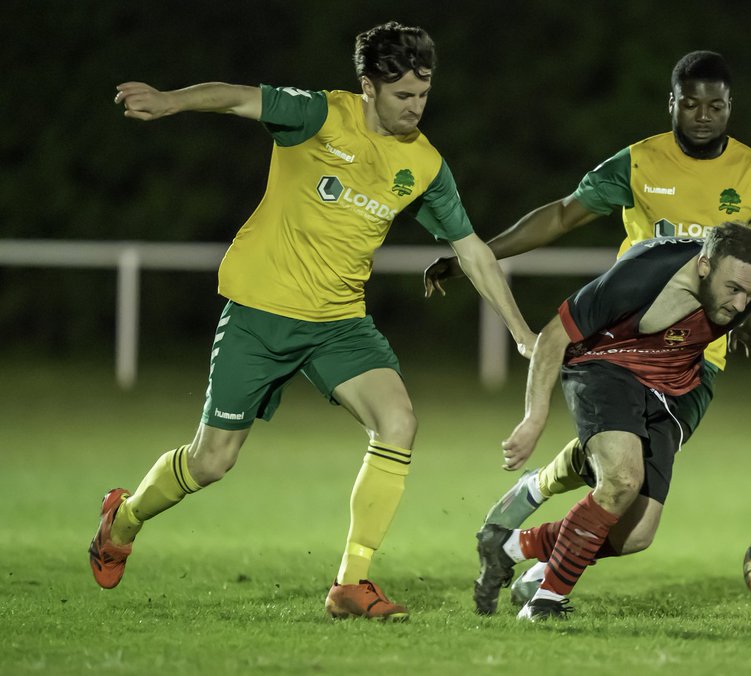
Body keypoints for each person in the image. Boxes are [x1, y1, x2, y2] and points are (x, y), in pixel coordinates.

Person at [88, 21, 535, 621]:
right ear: (368, 86)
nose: (416, 108)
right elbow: (236, 95)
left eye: (424, 95)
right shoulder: (318, 116)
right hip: (260, 314)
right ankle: (124, 517)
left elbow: (473, 249)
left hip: (338, 325)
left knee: (398, 420)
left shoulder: (425, 164)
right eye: (403, 96)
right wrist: (169, 101)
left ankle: (352, 583)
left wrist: (520, 332)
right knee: (212, 461)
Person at [422, 51, 751, 596]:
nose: (703, 115)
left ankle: (527, 528)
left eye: (716, 106)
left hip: (699, 361)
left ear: (731, 108)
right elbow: (561, 214)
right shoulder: (639, 162)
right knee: (619, 478)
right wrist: (479, 255)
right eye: (691, 104)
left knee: (633, 529)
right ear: (671, 103)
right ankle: (547, 584)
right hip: (626, 343)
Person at [474, 224, 751, 619]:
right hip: (605, 365)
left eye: (750, 294)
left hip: (672, 386)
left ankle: (510, 546)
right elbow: (552, 338)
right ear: (704, 266)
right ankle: (545, 601)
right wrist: (534, 419)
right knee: (622, 479)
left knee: (635, 535)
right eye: (733, 289)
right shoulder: (642, 276)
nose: (740, 303)